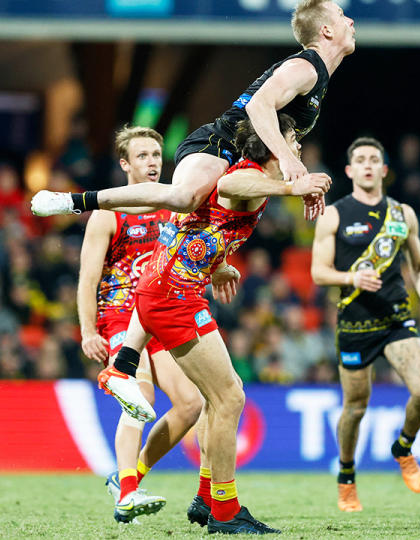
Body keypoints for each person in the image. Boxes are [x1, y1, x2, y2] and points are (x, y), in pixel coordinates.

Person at [97, 114, 330, 534]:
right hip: (170, 298)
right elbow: (229, 187)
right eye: (292, 139)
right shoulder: (246, 176)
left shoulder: (253, 178)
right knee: (229, 399)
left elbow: (206, 222)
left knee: (215, 400)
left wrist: (219, 264)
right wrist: (291, 186)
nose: (296, 147)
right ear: (273, 143)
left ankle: (206, 500)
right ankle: (224, 510)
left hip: (181, 292)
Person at [30, 0, 354, 221]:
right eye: (341, 15)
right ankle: (73, 202)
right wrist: (288, 160)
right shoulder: (305, 68)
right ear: (325, 30)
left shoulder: (319, 76)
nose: (350, 20)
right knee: (183, 197)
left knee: (178, 207)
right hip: (218, 142)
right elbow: (259, 105)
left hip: (240, 157)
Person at [77, 126, 204, 523]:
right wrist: (87, 331)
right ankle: (127, 494)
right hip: (119, 317)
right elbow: (87, 278)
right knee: (141, 398)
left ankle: (128, 476)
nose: (152, 162)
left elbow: (193, 253)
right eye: (143, 156)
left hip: (159, 318)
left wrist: (219, 271)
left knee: (191, 404)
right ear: (125, 164)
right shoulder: (107, 214)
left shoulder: (175, 205)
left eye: (156, 154)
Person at [312, 137, 420, 512]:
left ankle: (403, 448)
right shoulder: (334, 215)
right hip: (355, 324)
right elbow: (318, 272)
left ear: (384, 170)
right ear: (350, 171)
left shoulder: (403, 214)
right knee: (355, 407)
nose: (368, 165)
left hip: (396, 319)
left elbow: (418, 267)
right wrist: (351, 279)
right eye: (360, 160)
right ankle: (346, 475)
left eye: (375, 160)